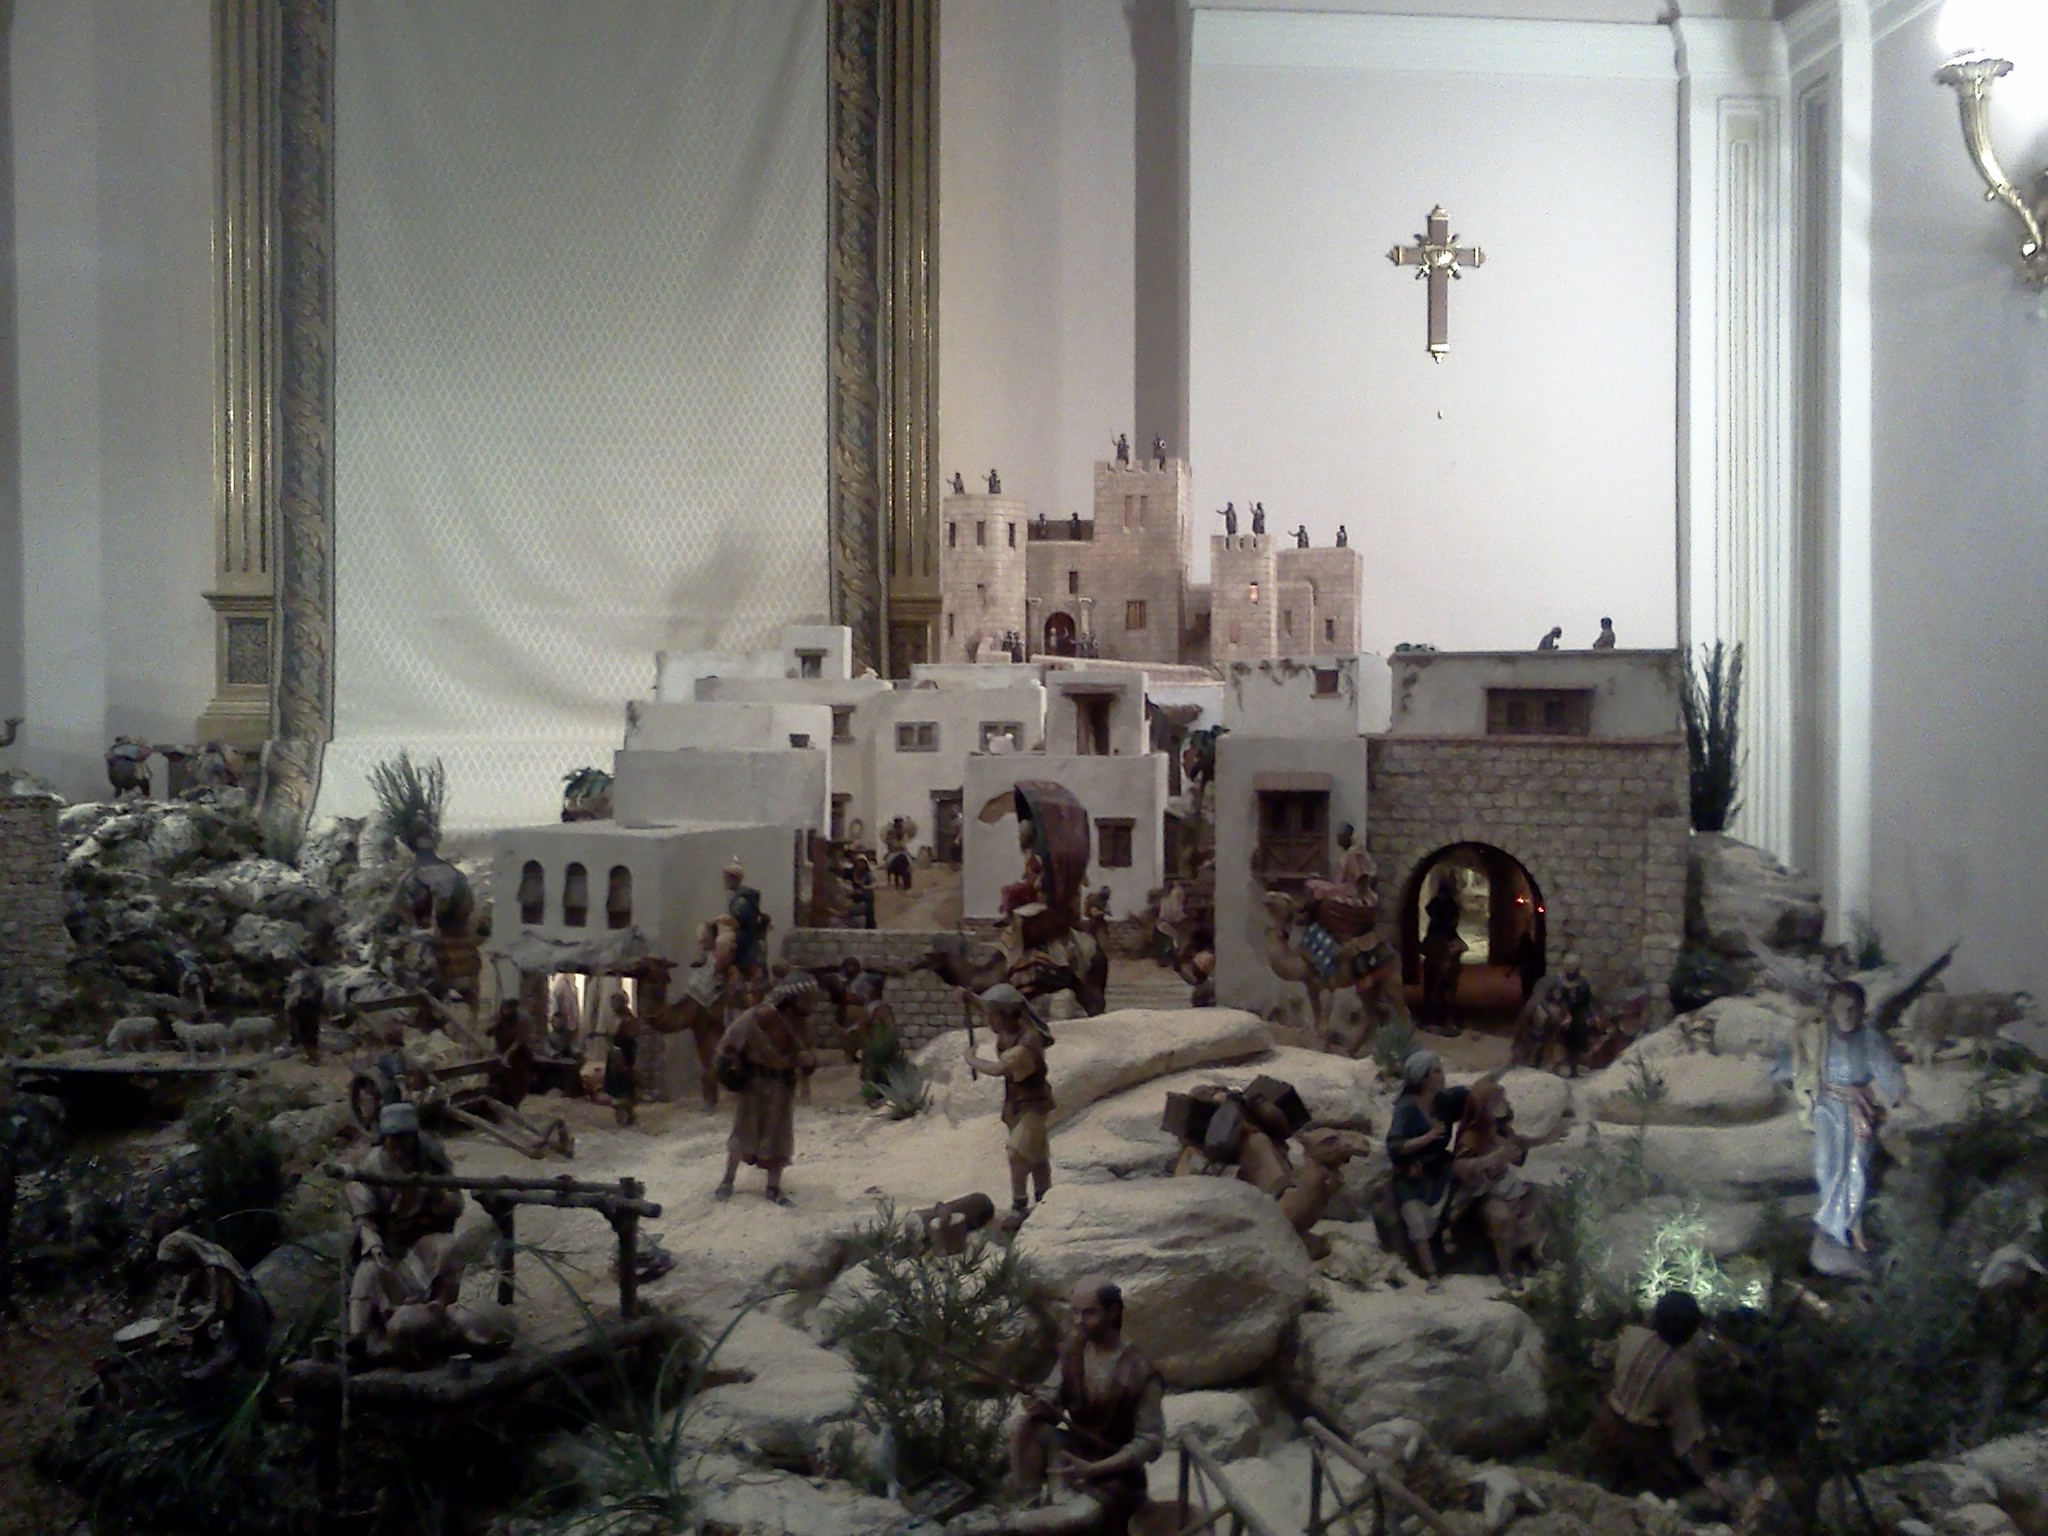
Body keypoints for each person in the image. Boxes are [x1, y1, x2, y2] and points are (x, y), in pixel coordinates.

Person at [952, 1280, 1165, 1536]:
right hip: (1073, 1455)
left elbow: (1150, 1443)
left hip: (1115, 1477)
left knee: (1074, 1519)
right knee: (1026, 1427)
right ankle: (1030, 1505)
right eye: (1075, 1312)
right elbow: (1052, 1396)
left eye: (1089, 1313)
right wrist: (1040, 1404)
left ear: (1113, 1312)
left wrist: (1094, 1469)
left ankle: (1004, 1527)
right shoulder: (1074, 1350)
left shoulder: (1140, 1371)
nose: (1079, 1321)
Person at [346, 1103, 502, 1364]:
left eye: (404, 1137)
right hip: (388, 1244)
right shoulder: (372, 1165)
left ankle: (439, 1313)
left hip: (422, 1239)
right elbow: (364, 1216)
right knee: (368, 1272)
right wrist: (374, 1245)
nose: (399, 1146)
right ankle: (358, 1338)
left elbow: (455, 1205)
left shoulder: (432, 1159)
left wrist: (437, 1196)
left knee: (448, 1249)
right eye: (393, 1138)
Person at [1799, 979, 1910, 1274]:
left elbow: (1887, 1067)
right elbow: (1799, 1060)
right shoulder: (1820, 1037)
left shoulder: (1870, 1038)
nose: (1847, 1014)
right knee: (1826, 1163)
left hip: (1858, 1108)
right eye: (1841, 1008)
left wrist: (1898, 1093)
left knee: (1857, 1164)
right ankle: (1829, 1227)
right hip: (1827, 1108)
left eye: (1853, 1008)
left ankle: (1853, 1226)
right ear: (1831, 1010)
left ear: (1862, 1010)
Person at [1587, 1291, 1728, 1504]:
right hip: (1641, 1445)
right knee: (1672, 1491)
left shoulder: (1632, 1335)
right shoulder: (1681, 1370)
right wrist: (1709, 1477)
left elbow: (1600, 1358)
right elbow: (1688, 1433)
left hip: (1604, 1425)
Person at [713, 976, 820, 1206]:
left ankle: (773, 1187)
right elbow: (729, 1043)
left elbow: (808, 1059)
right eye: (806, 999)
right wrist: (732, 1069)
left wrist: (807, 1060)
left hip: (782, 1087)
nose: (810, 1004)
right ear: (792, 999)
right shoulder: (760, 1017)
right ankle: (727, 1180)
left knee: (778, 1138)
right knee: (744, 1132)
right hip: (755, 1084)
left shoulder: (802, 1026)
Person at [961, 984, 1057, 1224]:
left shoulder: (1028, 1040)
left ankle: (1019, 1204)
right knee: (1035, 1152)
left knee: (1017, 1152)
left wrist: (971, 1059)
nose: (988, 1020)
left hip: (1033, 1103)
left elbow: (998, 1069)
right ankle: (1045, 1197)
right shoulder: (1008, 1028)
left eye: (992, 1015)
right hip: (1015, 1102)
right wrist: (969, 997)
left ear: (1005, 1014)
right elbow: (988, 1006)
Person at [1384, 1050, 1469, 1289]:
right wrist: (1427, 1137)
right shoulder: (1406, 1108)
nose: (1442, 1075)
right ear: (1423, 1078)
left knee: (1470, 1184)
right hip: (1414, 1176)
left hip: (1441, 1170)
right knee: (1417, 1221)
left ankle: (1448, 1229)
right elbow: (1395, 1146)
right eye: (1436, 1071)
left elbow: (1475, 1098)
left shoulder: (1444, 1101)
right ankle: (1431, 1274)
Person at [1447, 1079, 1541, 1279]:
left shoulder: (1499, 1129)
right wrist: (1493, 1159)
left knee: (1537, 1204)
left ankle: (1528, 1255)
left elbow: (1518, 1156)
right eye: (1500, 1101)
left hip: (1505, 1184)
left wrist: (1523, 1146)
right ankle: (1506, 1269)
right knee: (1502, 1219)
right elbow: (1461, 1168)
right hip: (1482, 1192)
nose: (1505, 1104)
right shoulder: (1471, 1136)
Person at [1419, 875, 1466, 1032]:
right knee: (1448, 984)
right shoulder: (1451, 905)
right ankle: (1446, 1019)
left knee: (1431, 983)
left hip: (1435, 939)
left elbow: (1430, 911)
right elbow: (1452, 922)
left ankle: (1432, 1018)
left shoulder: (1435, 904)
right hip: (1445, 939)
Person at [723, 858, 770, 982]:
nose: (724, 881)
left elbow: (738, 922)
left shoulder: (741, 902)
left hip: (746, 948)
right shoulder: (738, 898)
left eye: (727, 877)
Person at [1553, 954, 1595, 1078]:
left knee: (1576, 1044)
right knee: (1560, 1042)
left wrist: (1590, 1015)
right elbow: (1556, 998)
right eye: (1567, 966)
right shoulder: (1559, 981)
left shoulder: (1583, 983)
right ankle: (1556, 1066)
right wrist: (1564, 1012)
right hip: (1562, 1014)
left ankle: (1574, 1069)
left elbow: (1586, 1001)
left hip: (1578, 1016)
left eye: (1572, 966)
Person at [603, 991, 640, 1126]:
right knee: (616, 1090)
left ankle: (627, 1116)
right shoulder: (615, 1018)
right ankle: (622, 1117)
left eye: (616, 1002)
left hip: (624, 1057)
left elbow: (630, 1038)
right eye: (612, 1002)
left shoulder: (629, 1020)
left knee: (623, 1089)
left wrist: (625, 1060)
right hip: (615, 1057)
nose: (613, 1005)